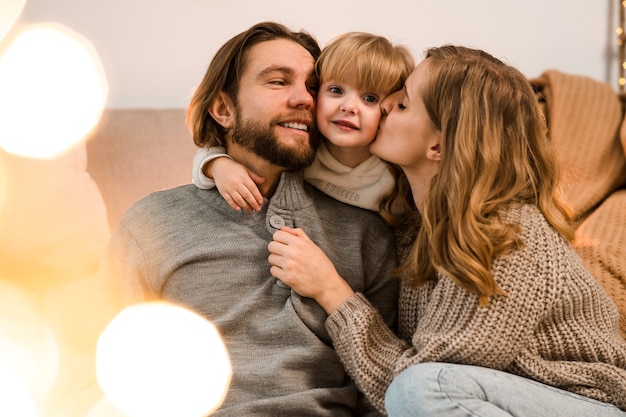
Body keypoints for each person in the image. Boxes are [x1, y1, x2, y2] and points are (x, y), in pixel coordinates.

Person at [267, 45, 626, 417]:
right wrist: (221, 164)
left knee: (422, 388)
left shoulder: (505, 236)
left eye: (403, 103)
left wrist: (331, 290)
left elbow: (414, 381)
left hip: (586, 404)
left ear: (437, 144)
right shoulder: (415, 228)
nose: (385, 106)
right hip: (490, 400)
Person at [97, 21, 399, 416]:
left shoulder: (368, 231)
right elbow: (95, 371)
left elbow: (385, 392)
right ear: (223, 109)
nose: (305, 99)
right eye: (278, 82)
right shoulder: (151, 224)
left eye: (312, 87)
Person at [191, 31, 414, 213]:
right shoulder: (307, 154)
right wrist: (218, 166)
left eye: (370, 99)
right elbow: (207, 152)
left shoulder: (396, 166)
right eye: (335, 90)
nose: (349, 107)